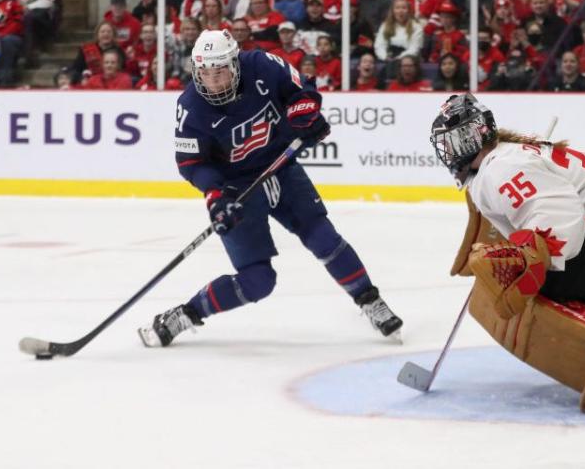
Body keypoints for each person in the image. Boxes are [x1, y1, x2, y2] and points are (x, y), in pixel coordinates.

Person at [138, 29, 403, 347]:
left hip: (281, 166)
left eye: (220, 71)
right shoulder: (191, 107)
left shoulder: (263, 65)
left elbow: (300, 94)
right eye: (205, 73)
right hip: (236, 189)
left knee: (323, 237)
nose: (213, 81)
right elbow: (191, 163)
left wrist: (307, 114)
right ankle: (185, 314)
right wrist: (216, 197)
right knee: (258, 281)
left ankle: (369, 300)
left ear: (234, 64)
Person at [428, 93, 585, 414]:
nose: (447, 152)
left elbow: (556, 209)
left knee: (541, 291)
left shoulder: (498, 169)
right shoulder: (500, 160)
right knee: (548, 283)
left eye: (449, 142)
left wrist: (534, 267)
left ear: (468, 138)